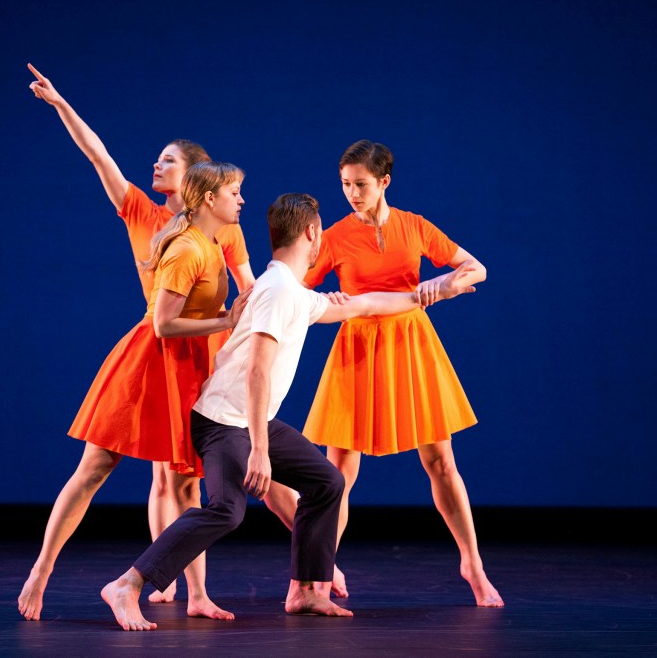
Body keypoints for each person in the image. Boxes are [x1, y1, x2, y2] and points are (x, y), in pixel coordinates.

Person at [99, 192, 479, 630]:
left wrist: (433, 293)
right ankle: (128, 584)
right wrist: (260, 449)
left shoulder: (290, 290)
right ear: (313, 234)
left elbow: (365, 305)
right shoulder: (279, 292)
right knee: (228, 509)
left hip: (250, 420)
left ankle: (304, 589)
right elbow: (257, 371)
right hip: (224, 422)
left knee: (327, 482)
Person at [18, 64, 264, 621]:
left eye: (168, 159)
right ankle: (42, 569)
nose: (156, 164)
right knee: (96, 465)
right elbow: (98, 154)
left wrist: (257, 333)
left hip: (201, 358)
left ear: (196, 177)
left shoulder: (223, 224)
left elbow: (248, 290)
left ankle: (196, 593)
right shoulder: (141, 211)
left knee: (184, 481)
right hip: (153, 352)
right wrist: (61, 105)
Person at [301, 139, 504, 607]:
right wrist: (322, 300)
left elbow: (478, 269)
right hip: (357, 348)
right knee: (340, 472)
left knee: (441, 460)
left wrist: (445, 283)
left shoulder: (414, 227)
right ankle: (319, 570)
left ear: (384, 182)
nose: (352, 193)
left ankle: (471, 562)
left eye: (361, 184)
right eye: (346, 185)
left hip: (411, 346)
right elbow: (293, 286)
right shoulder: (334, 237)